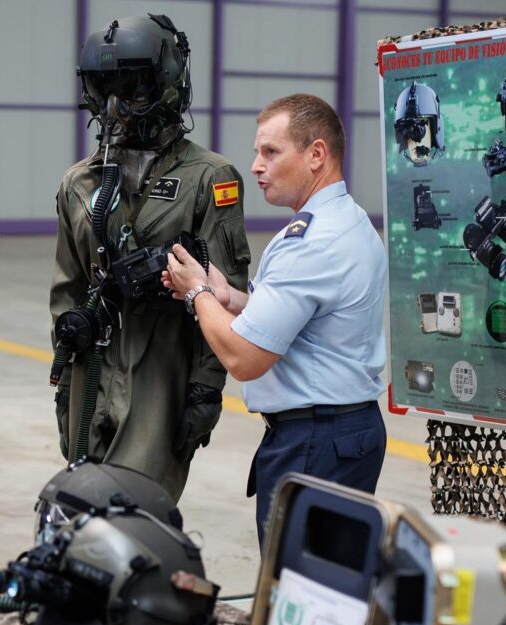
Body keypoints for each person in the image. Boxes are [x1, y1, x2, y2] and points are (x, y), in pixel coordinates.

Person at [163, 94, 387, 545]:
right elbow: (306, 321)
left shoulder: (309, 243)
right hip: (343, 434)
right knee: (328, 586)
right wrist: (231, 299)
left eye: (271, 152)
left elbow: (244, 359)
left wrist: (198, 293)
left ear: (316, 155)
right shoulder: (348, 221)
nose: (256, 166)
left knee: (297, 593)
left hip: (314, 443)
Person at [49, 13, 250, 501]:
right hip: (90, 373)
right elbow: (68, 287)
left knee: (139, 509)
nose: (117, 106)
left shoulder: (210, 177)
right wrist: (62, 367)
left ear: (166, 84)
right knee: (80, 506)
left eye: (134, 87)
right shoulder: (80, 182)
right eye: (106, 89)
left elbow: (223, 293)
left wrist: (205, 388)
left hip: (161, 373)